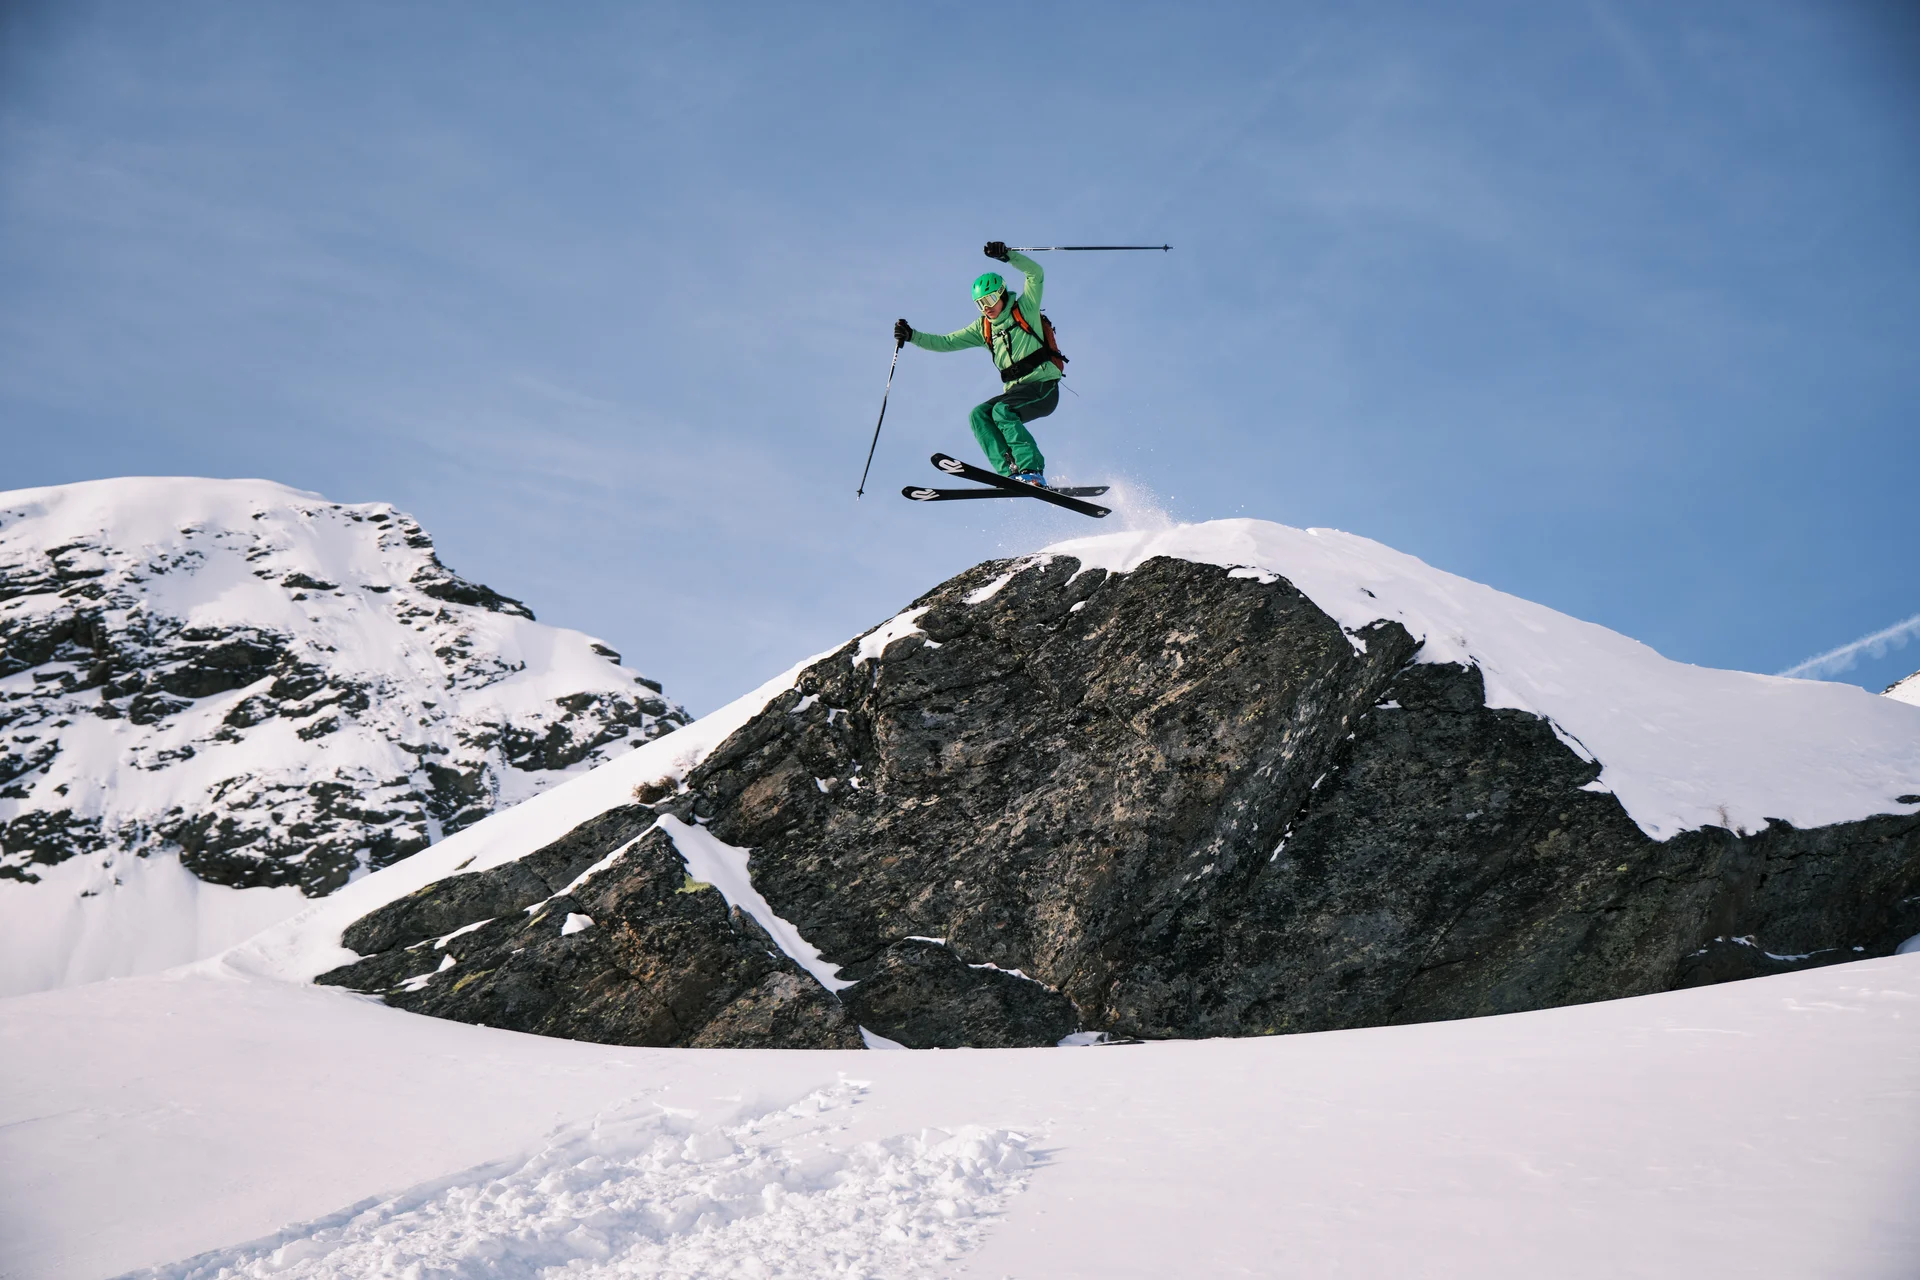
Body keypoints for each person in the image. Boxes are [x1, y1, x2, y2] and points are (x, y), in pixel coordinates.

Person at [894, 241, 1063, 487]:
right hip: (1017, 392)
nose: (987, 308)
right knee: (979, 415)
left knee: (1002, 412)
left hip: (1043, 386)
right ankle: (1011, 471)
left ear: (1003, 294)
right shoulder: (983, 327)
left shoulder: (1025, 308)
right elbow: (946, 342)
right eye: (980, 304)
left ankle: (1032, 469)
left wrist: (1008, 256)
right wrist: (912, 336)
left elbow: (1036, 274)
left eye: (991, 299)